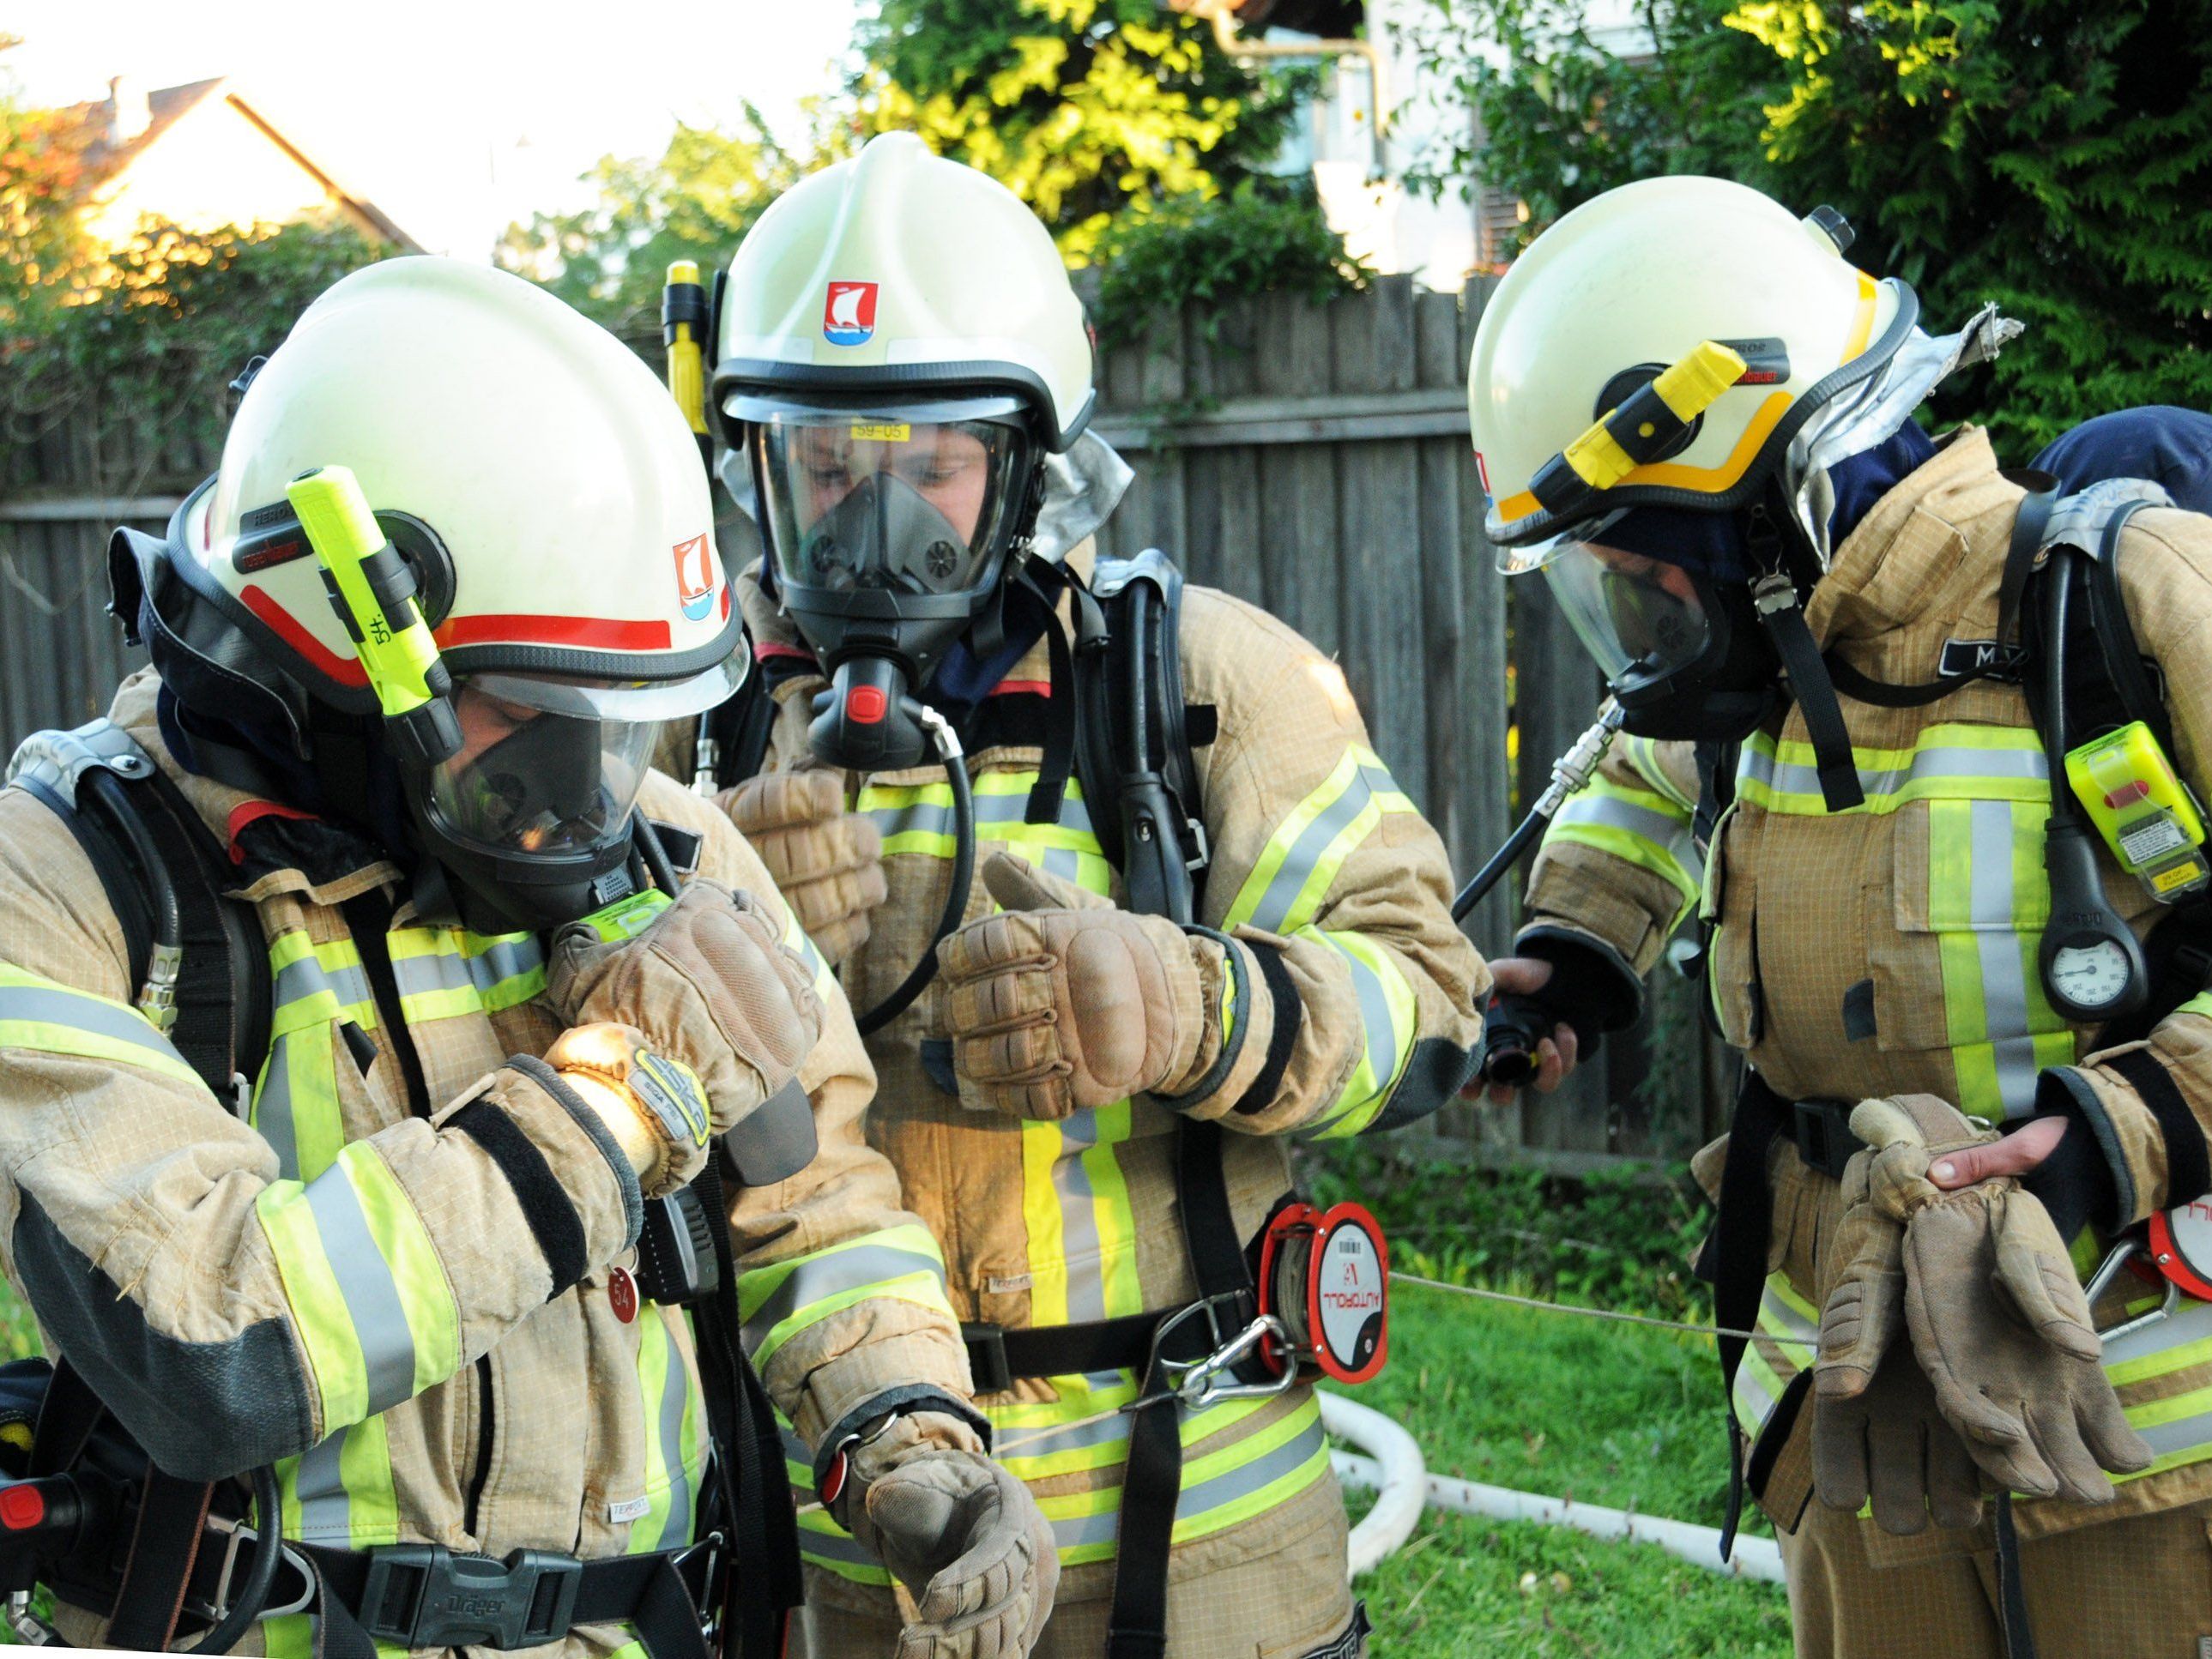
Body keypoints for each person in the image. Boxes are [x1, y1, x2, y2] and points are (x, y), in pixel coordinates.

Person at [0, 256, 1055, 1657]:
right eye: (537, 709)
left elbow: (815, 1197)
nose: (601, 787)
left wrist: (904, 1424)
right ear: (341, 646)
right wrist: (624, 1097)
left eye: (629, 725)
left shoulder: (659, 836)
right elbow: (218, 1343)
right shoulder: (68, 877)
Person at [668, 131, 1489, 1658]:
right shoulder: (690, 727)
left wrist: (1199, 1005)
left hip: (1203, 1532)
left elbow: (1429, 998)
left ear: (1032, 467)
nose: (872, 525)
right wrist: (704, 908)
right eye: (826, 467)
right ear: (752, 468)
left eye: (934, 466)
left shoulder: (1196, 688)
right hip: (854, 1533)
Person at [1465, 175, 2212, 1655]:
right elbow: (1638, 772)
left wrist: (2114, 1140)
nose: (1637, 630)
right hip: (1851, 1397)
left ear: (1771, 490)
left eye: (1639, 569)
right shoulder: (1757, 644)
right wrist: (1569, 953)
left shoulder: (2123, 599)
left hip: (2146, 1413)